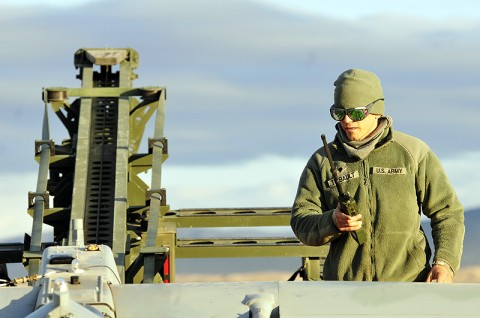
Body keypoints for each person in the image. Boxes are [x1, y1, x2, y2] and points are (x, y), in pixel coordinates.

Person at [290, 68, 464, 283]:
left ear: (376, 109)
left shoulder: (413, 153)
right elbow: (301, 221)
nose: (346, 120)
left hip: (408, 286)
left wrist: (444, 263)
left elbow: (448, 213)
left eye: (355, 113)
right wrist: (332, 221)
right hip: (344, 292)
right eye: (339, 112)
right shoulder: (322, 161)